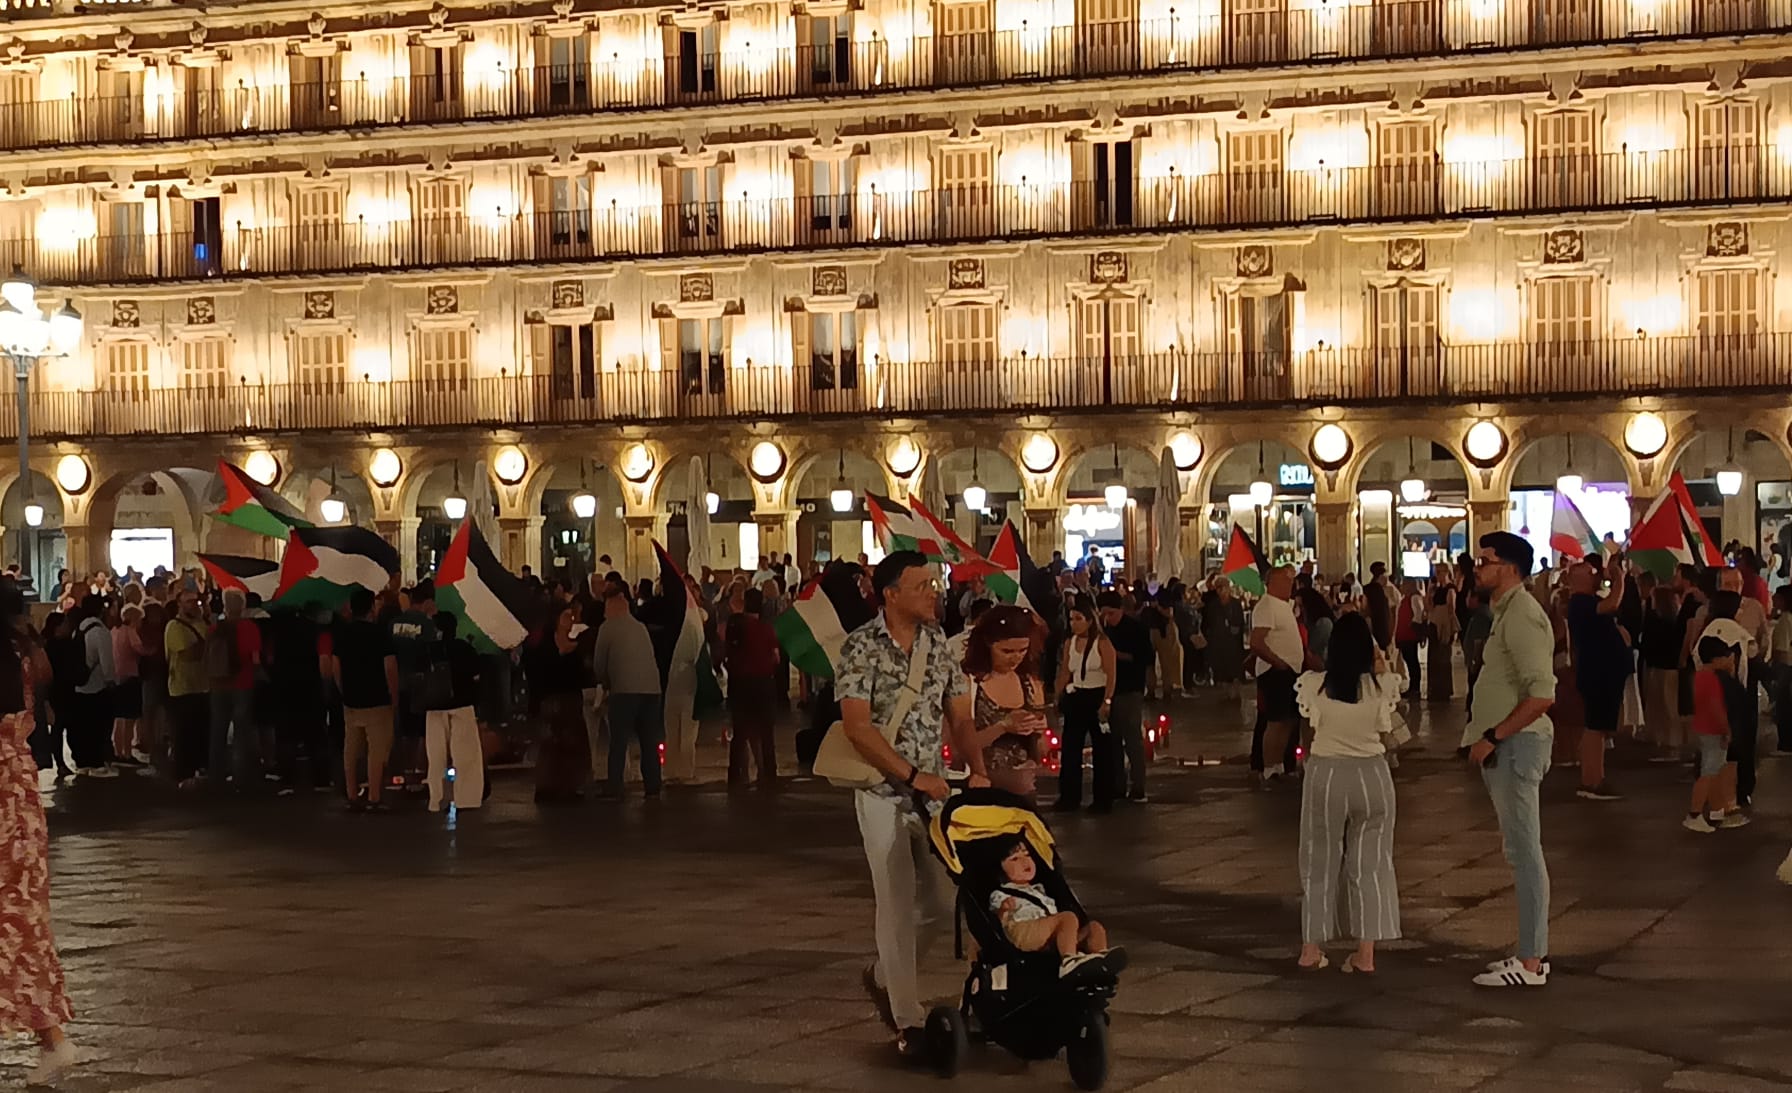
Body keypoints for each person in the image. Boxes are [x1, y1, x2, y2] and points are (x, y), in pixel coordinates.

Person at [837, 550, 987, 1060]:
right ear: (891, 594)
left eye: (933, 584)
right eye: (922, 585)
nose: (933, 593)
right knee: (896, 898)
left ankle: (885, 972)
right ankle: (907, 1016)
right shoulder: (862, 646)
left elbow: (960, 716)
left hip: (935, 793)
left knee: (947, 902)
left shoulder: (938, 645)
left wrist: (977, 767)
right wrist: (909, 775)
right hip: (882, 790)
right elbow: (857, 726)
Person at [1464, 532, 1557, 988]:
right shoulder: (1506, 613)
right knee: (1519, 849)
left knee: (1525, 851)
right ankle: (1530, 953)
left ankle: (1532, 961)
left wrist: (1493, 736)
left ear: (1511, 569)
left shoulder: (1521, 615)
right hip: (1509, 744)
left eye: (1486, 561)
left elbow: (1542, 693)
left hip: (1517, 745)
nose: (1477, 568)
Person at [1293, 611, 1401, 974]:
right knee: (1371, 865)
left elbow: (1309, 733)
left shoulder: (1314, 686)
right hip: (1373, 776)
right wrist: (1381, 664)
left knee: (1319, 860)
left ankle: (1311, 949)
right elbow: (1393, 731)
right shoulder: (1382, 686)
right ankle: (1365, 954)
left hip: (1326, 773)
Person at [0, 582, 77, 1083]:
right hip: (18, 789)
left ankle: (52, 1037)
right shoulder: (23, 653)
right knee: (20, 913)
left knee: (13, 915)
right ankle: (52, 1037)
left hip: (3, 792)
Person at [989, 839, 1115, 976]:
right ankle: (1069, 961)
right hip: (1023, 931)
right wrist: (1004, 908)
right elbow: (997, 919)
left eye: (1027, 855)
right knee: (1068, 918)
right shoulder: (1002, 893)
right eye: (1015, 859)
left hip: (1048, 935)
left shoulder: (1039, 890)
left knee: (1093, 927)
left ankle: (1100, 958)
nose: (1025, 861)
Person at [962, 605, 1048, 800]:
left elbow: (1041, 752)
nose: (1015, 657)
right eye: (1006, 651)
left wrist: (1038, 731)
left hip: (1023, 789)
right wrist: (1002, 727)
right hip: (981, 788)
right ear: (987, 644)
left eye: (1022, 650)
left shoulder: (1030, 683)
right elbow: (957, 746)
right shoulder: (969, 683)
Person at [1561, 557, 1629, 801]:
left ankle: (1595, 777)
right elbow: (1612, 604)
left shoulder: (1586, 602)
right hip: (1598, 672)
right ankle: (1592, 780)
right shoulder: (1581, 602)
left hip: (1601, 672)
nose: (1596, 576)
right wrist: (1619, 578)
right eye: (1591, 573)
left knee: (1598, 727)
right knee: (1595, 727)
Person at [591, 585, 663, 799]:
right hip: (651, 689)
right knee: (649, 740)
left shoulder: (608, 628)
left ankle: (615, 785)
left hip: (624, 690)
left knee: (619, 741)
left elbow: (599, 664)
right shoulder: (640, 627)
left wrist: (605, 683)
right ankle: (653, 785)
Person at [332, 588, 399, 812]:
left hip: (351, 700)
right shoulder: (380, 633)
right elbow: (390, 666)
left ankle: (352, 794)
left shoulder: (343, 633)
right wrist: (394, 696)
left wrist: (343, 689)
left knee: (351, 749)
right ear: (371, 608)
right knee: (377, 751)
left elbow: (335, 665)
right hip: (377, 699)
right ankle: (374, 796)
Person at [1052, 594, 1118, 813]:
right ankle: (1069, 797)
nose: (1074, 623)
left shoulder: (1102, 643)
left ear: (1089, 620)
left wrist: (1107, 701)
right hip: (1077, 695)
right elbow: (1065, 671)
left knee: (1102, 749)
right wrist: (1057, 695)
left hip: (1096, 694)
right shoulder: (1070, 643)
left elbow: (1111, 674)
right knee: (1071, 747)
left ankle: (1103, 799)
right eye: (1071, 619)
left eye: (1078, 619)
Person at [528, 602, 596, 802]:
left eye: (571, 617)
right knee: (551, 747)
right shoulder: (544, 647)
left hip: (570, 701)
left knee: (571, 746)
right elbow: (538, 674)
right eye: (566, 616)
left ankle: (569, 787)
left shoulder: (576, 646)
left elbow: (582, 675)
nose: (570, 621)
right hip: (552, 700)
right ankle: (548, 787)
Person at [1250, 565, 1306, 788]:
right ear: (1272, 583)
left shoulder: (1283, 605)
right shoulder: (1267, 606)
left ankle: (1279, 764)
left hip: (1290, 672)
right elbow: (1257, 642)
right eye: (1285, 580)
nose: (1290, 584)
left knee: (1287, 721)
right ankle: (1269, 768)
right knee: (1275, 722)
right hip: (1276, 673)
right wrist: (1277, 662)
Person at [421, 612, 484, 812]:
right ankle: (467, 799)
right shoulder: (464, 648)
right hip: (462, 705)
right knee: (466, 756)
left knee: (436, 756)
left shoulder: (428, 650)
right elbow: (477, 676)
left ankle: (436, 799)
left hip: (434, 707)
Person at [1686, 634, 1748, 833]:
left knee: (1712, 771)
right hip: (1713, 730)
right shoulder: (1711, 679)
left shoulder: (1699, 676)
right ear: (1716, 659)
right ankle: (1694, 814)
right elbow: (1716, 708)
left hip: (1702, 728)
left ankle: (1715, 812)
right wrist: (1726, 730)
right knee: (1708, 774)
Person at [1096, 591, 1152, 803]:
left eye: (1111, 613)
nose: (1108, 618)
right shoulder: (1103, 630)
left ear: (1120, 610)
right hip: (1109, 689)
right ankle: (1117, 786)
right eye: (1104, 614)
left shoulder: (1136, 628)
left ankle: (1138, 787)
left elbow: (1145, 657)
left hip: (1130, 689)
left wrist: (1116, 655)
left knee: (1132, 740)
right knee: (1113, 741)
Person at [206, 588, 263, 791]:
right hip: (242, 683)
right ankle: (240, 777)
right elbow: (255, 659)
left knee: (218, 730)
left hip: (218, 683)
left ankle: (216, 775)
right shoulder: (250, 628)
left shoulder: (214, 629)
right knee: (241, 731)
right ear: (243, 606)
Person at [725, 586, 780, 788]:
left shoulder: (736, 625)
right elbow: (776, 657)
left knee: (740, 732)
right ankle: (769, 772)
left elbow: (728, 653)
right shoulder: (767, 628)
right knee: (766, 732)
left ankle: (736, 774)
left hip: (741, 683)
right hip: (764, 683)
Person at [163, 589, 210, 789]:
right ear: (180, 604)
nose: (193, 605)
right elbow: (187, 654)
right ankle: (183, 773)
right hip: (182, 688)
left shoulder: (203, 624)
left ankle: (199, 768)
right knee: (184, 733)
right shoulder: (174, 626)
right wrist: (208, 647)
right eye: (188, 601)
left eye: (195, 601)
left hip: (203, 686)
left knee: (201, 731)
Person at [1641, 584, 1688, 759]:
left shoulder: (1657, 621)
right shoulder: (1674, 621)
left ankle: (1670, 743)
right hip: (1668, 666)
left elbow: (1648, 642)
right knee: (1665, 706)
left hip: (1662, 666)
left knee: (1666, 706)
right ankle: (1667, 741)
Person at [70, 595, 115, 776]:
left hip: (79, 684)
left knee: (83, 726)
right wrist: (110, 680)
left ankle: (83, 762)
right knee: (98, 726)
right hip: (96, 685)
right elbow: (107, 662)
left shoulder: (79, 629)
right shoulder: (100, 631)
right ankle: (97, 763)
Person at [110, 603, 145, 767]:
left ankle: (118, 751)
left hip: (116, 676)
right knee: (130, 717)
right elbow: (140, 649)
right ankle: (127, 752)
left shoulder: (114, 631)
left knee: (118, 717)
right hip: (130, 676)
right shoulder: (130, 632)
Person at [1424, 585, 1458, 702]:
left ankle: (1443, 689)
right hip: (1434, 623)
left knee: (1443, 657)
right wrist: (1429, 593)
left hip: (1443, 624)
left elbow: (1451, 608)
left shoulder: (1450, 589)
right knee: (1434, 657)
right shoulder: (1435, 589)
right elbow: (1428, 607)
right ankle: (1435, 688)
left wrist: (1450, 627)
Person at [1393, 578, 1423, 697]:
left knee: (1412, 661)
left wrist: (1412, 624)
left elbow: (1418, 613)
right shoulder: (1404, 598)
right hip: (1404, 634)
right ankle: (1413, 686)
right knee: (1409, 660)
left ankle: (1415, 688)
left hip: (1409, 635)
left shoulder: (1414, 598)